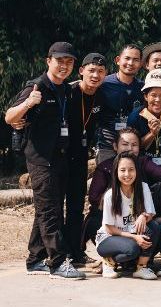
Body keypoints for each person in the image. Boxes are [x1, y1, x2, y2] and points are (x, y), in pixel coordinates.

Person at [5, 42, 85, 279]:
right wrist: (28, 103)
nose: (64, 66)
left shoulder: (66, 90)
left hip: (59, 157)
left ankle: (35, 259)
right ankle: (58, 263)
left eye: (69, 62)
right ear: (48, 61)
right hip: (40, 158)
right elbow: (9, 117)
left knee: (47, 208)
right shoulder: (36, 86)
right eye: (59, 61)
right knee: (50, 211)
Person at [64, 53, 107, 265]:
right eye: (91, 70)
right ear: (81, 71)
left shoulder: (101, 96)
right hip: (60, 157)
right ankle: (52, 253)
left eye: (100, 71)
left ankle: (75, 252)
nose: (95, 75)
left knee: (75, 206)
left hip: (80, 157)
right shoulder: (68, 91)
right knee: (53, 207)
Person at [95, 152, 160, 280]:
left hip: (131, 233)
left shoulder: (143, 187)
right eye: (122, 170)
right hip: (109, 238)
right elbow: (109, 229)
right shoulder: (110, 195)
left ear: (137, 171)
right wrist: (134, 237)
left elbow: (151, 213)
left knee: (154, 227)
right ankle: (108, 262)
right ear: (116, 172)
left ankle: (141, 267)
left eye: (131, 169)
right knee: (132, 249)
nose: (127, 174)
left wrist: (143, 216)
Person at [126, 70, 161, 170]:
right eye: (153, 95)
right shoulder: (136, 116)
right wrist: (152, 133)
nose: (157, 100)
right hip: (143, 167)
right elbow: (133, 146)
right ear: (146, 96)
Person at [96, 44, 144, 163]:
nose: (131, 63)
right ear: (118, 60)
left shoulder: (143, 88)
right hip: (106, 144)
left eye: (136, 60)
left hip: (132, 146)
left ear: (141, 63)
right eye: (127, 58)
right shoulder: (103, 84)